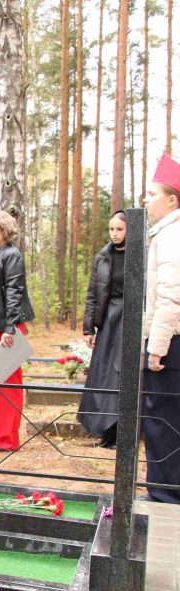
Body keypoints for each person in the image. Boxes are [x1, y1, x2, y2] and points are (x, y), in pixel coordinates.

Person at [0, 210, 35, 452]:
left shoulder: (12, 255)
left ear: (4, 230)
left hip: (5, 326)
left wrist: (10, 328)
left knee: (8, 380)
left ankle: (7, 438)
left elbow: (14, 291)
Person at [141, 154, 180, 504]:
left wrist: (157, 344)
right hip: (169, 339)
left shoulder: (171, 236)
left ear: (172, 200)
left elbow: (172, 295)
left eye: (152, 194)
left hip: (171, 343)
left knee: (162, 418)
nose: (146, 200)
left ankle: (165, 494)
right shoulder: (166, 233)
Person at [78, 210, 127, 449]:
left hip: (129, 319)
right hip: (108, 319)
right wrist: (89, 328)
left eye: (119, 229)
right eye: (111, 229)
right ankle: (104, 432)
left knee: (121, 375)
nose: (115, 234)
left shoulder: (141, 256)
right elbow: (92, 294)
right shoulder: (103, 257)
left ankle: (120, 432)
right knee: (102, 374)